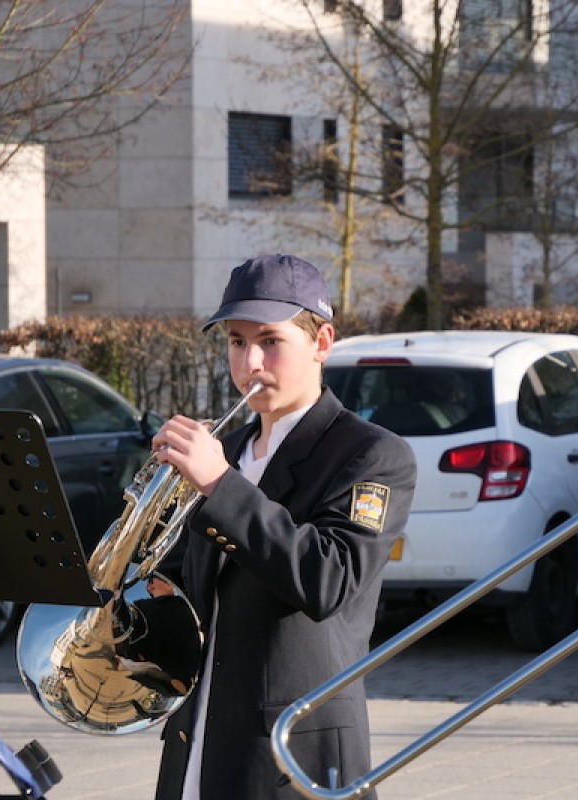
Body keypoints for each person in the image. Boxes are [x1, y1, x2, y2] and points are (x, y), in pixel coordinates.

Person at [150, 253, 416, 800]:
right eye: (235, 342)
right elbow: (189, 587)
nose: (250, 362)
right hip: (199, 739)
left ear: (321, 343)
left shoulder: (371, 455)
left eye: (271, 341)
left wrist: (220, 486)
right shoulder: (230, 451)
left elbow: (328, 579)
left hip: (292, 756)